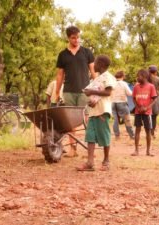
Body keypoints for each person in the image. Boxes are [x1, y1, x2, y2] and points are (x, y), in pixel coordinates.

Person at [55, 25, 96, 157]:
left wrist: (96, 89)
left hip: (85, 91)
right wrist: (57, 92)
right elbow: (60, 75)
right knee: (70, 122)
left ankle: (90, 150)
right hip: (68, 92)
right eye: (73, 38)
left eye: (78, 37)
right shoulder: (62, 55)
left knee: (87, 121)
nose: (76, 40)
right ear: (68, 38)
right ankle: (73, 149)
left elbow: (93, 72)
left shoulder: (87, 52)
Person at [76, 55, 116, 171]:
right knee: (90, 137)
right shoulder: (97, 78)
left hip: (102, 111)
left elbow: (108, 92)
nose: (94, 65)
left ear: (102, 65)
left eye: (96, 63)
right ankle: (90, 163)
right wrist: (90, 99)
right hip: (93, 112)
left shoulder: (108, 77)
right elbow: (96, 94)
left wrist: (91, 91)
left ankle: (106, 161)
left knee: (104, 135)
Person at [132, 69, 157, 156]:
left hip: (147, 113)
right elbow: (134, 98)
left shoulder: (151, 86)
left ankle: (148, 151)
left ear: (145, 77)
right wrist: (138, 107)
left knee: (148, 131)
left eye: (139, 76)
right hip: (138, 112)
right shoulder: (136, 87)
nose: (137, 78)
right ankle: (136, 150)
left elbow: (154, 99)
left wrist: (147, 108)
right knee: (137, 130)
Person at [111, 71, 134, 140]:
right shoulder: (124, 83)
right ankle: (132, 135)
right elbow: (130, 93)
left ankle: (117, 136)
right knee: (127, 120)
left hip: (113, 103)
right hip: (122, 103)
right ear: (123, 76)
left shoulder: (112, 83)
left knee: (116, 120)